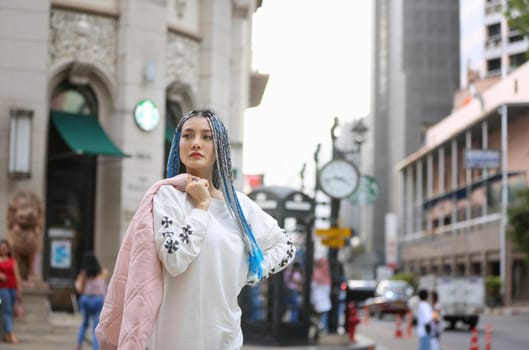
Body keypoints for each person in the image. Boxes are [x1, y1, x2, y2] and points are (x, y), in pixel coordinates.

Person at [96, 110, 295, 350]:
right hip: (173, 340)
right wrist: (201, 207)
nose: (196, 143)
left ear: (219, 147)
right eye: (187, 135)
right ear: (178, 144)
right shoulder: (166, 197)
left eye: (207, 137)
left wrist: (249, 271)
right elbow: (175, 259)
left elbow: (286, 245)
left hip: (225, 339)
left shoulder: (240, 207)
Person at [75, 251, 108, 350]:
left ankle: (78, 345)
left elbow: (79, 289)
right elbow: (103, 287)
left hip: (86, 300)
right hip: (98, 300)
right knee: (96, 326)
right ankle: (96, 348)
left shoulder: (83, 274)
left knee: (84, 324)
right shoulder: (103, 272)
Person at [0, 239, 22, 344]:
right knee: (7, 311)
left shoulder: (13, 261)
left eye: (5, 248)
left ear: (8, 249)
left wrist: (19, 291)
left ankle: (6, 335)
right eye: (2, 247)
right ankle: (11, 334)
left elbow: (17, 276)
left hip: (13, 288)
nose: (4, 249)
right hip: (2, 288)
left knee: (10, 312)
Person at [310, 258, 331, 333]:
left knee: (317, 318)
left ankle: (321, 330)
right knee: (321, 317)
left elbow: (312, 286)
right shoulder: (327, 273)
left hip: (318, 300)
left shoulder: (317, 273)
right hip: (322, 300)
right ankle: (321, 330)